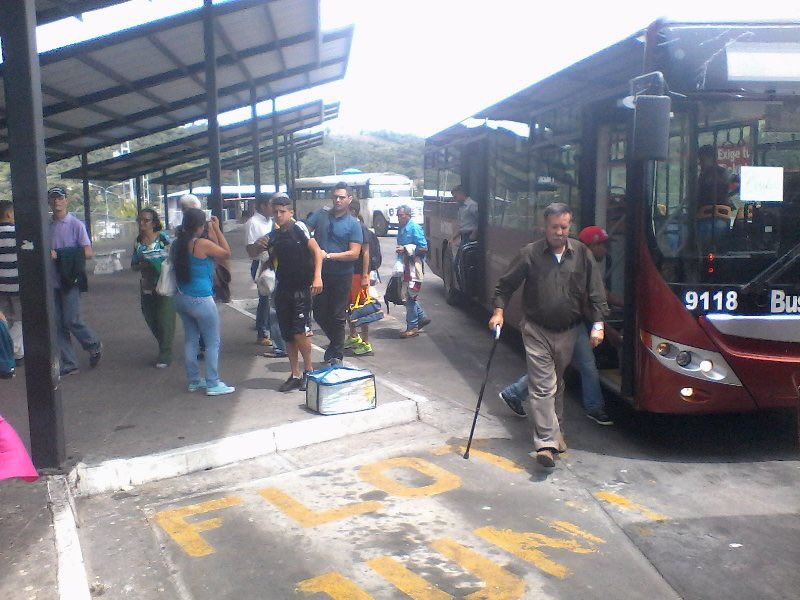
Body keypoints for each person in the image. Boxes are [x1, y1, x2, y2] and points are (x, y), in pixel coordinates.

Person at [490, 203, 607, 468]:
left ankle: (557, 431)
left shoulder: (582, 254)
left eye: (564, 227)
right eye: (554, 227)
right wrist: (498, 312)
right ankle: (546, 443)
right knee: (543, 386)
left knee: (556, 382)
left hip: (569, 331)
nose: (559, 232)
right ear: (544, 227)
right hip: (536, 329)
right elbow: (505, 286)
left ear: (570, 226)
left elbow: (596, 292)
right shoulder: (529, 254)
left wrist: (598, 324)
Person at [499, 225, 620, 426]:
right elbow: (587, 306)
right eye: (602, 245)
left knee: (572, 368)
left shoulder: (588, 262)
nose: (605, 251)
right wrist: (608, 330)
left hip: (575, 324)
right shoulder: (576, 264)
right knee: (553, 369)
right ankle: (516, 395)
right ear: (592, 245)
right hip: (563, 326)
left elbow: (602, 295)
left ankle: (593, 407)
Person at [264, 193, 323, 392]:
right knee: (288, 334)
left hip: (301, 289)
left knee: (299, 332)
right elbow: (256, 252)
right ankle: (295, 374)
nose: (279, 215)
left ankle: (309, 371)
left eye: (282, 212)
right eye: (276, 212)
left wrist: (317, 277)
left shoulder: (300, 229)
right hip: (283, 289)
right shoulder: (275, 234)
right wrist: (257, 246)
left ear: (291, 212)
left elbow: (316, 251)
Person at [173, 208, 235, 396]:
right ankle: (212, 383)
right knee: (212, 342)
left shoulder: (177, 244)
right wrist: (216, 229)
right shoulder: (201, 244)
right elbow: (226, 253)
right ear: (200, 226)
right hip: (202, 299)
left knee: (191, 340)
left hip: (181, 297)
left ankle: (193, 380)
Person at [304, 182, 363, 366]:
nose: (338, 200)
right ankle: (336, 343)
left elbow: (354, 253)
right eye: (335, 196)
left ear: (349, 199)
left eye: (342, 197)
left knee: (338, 315)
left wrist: (328, 255)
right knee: (319, 313)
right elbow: (303, 231)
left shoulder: (353, 224)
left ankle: (336, 354)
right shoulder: (320, 216)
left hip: (342, 275)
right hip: (319, 274)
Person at [47, 186, 102, 377]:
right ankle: (69, 363)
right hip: (51, 281)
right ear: (49, 202)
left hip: (70, 280)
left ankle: (93, 343)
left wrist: (60, 255)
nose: (56, 202)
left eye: (60, 198)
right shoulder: (46, 226)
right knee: (57, 324)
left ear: (66, 200)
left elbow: (88, 252)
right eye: (53, 198)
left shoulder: (76, 225)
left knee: (71, 319)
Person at [131, 208, 176, 368]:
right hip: (147, 284)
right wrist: (142, 264)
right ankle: (163, 345)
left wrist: (158, 261)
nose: (142, 223)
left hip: (164, 282)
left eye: (146, 220)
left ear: (154, 222)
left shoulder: (163, 238)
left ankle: (165, 353)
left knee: (165, 318)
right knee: (150, 317)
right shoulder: (138, 241)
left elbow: (173, 257)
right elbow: (133, 265)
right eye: (139, 220)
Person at [245, 196, 287, 358]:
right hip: (262, 263)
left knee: (273, 301)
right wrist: (259, 246)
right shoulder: (253, 223)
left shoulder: (272, 222)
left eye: (280, 210)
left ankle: (271, 333)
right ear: (262, 206)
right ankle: (263, 332)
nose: (276, 212)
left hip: (275, 262)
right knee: (266, 300)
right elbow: (250, 249)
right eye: (272, 207)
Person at [344, 199, 375, 356]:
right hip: (349, 273)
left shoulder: (361, 228)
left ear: (353, 211)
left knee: (362, 308)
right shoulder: (349, 226)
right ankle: (353, 335)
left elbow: (366, 253)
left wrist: (364, 275)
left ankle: (366, 342)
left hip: (358, 274)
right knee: (349, 306)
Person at [395, 205, 431, 338]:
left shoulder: (414, 227)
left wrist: (405, 249)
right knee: (408, 295)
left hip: (413, 267)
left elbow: (424, 248)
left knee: (409, 297)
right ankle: (421, 316)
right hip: (404, 266)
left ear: (408, 215)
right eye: (398, 215)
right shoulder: (402, 228)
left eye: (402, 215)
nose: (399, 218)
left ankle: (412, 327)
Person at [696, 144, 735, 249]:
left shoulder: (704, 177)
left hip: (707, 219)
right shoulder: (724, 173)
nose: (700, 163)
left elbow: (697, 197)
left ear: (711, 158)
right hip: (723, 217)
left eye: (702, 160)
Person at [0, 200, 23, 362]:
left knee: (5, 320)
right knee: (21, 320)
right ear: (9, 214)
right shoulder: (18, 232)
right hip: (18, 285)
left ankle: (13, 353)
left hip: (1, 286)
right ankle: (15, 350)